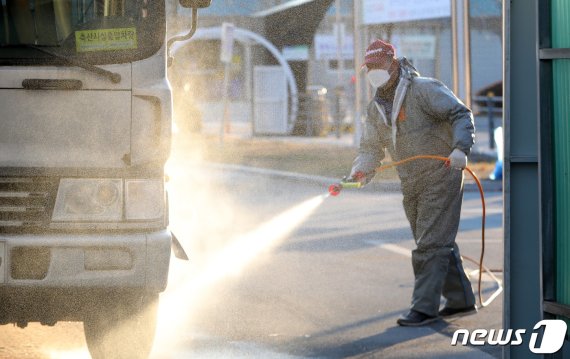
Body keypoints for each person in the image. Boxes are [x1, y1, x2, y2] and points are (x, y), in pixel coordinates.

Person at [349, 39, 477, 326]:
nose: (374, 74)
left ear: (394, 64)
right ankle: (461, 301)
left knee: (429, 244)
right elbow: (370, 148)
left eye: (378, 67)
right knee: (435, 240)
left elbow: (460, 114)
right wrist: (361, 170)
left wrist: (460, 148)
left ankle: (424, 308)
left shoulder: (424, 90)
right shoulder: (376, 108)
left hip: (441, 173)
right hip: (412, 181)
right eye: (369, 69)